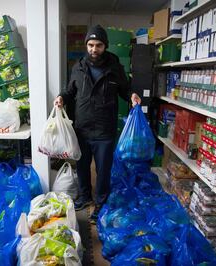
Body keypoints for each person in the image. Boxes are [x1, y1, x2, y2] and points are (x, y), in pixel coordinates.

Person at [54, 25, 141, 223]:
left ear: (105, 46)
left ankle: (101, 202)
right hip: (82, 128)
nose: (94, 49)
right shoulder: (78, 67)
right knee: (82, 167)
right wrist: (61, 98)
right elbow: (70, 91)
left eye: (99, 45)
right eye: (91, 45)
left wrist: (132, 96)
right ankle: (85, 198)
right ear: (87, 45)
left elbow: (125, 90)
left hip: (104, 130)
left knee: (103, 170)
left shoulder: (115, 68)